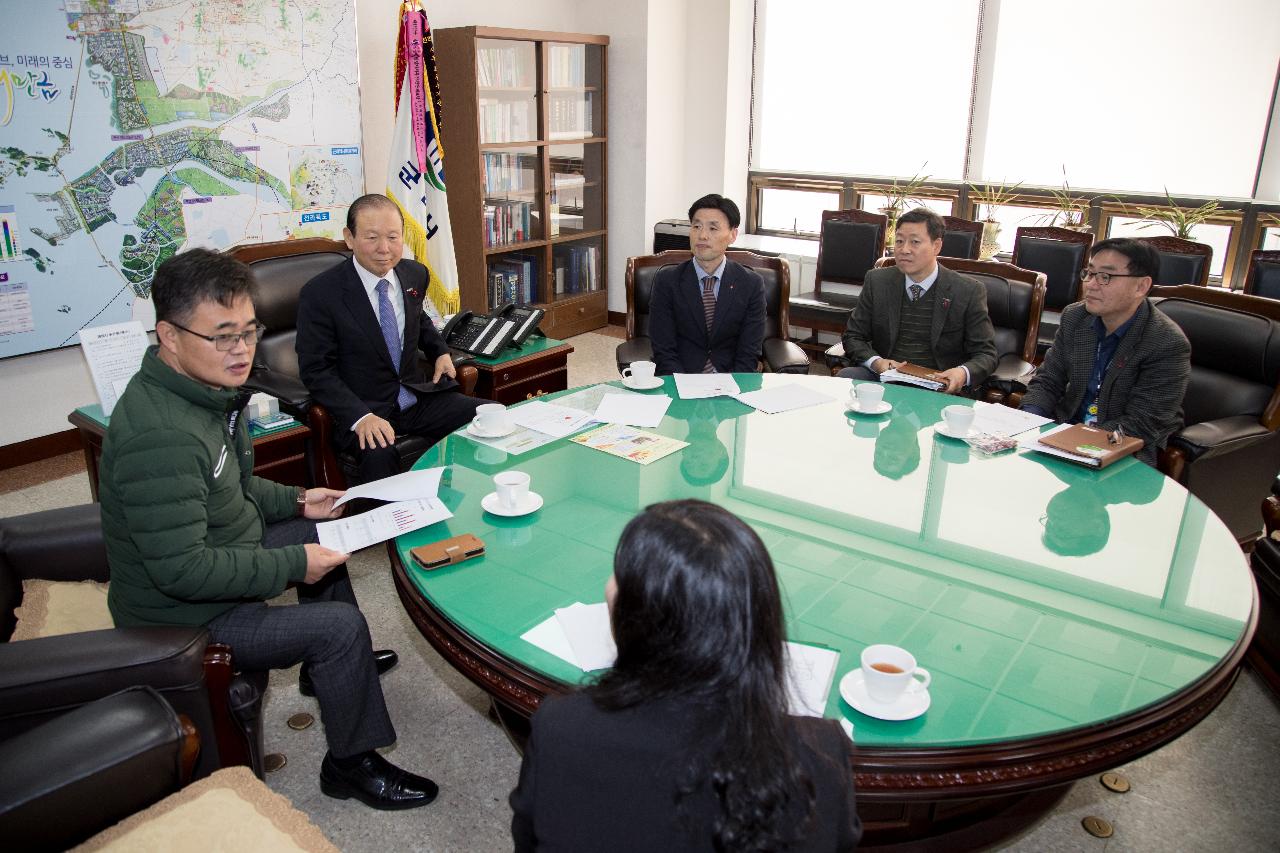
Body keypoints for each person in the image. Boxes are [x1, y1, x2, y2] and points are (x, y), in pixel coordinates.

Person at [100, 248, 438, 811]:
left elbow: (231, 486)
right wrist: (291, 565)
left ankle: (324, 674)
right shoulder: (161, 434)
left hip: (223, 553)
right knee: (339, 627)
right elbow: (180, 571)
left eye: (249, 331)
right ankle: (349, 765)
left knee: (324, 539)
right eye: (222, 336)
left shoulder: (204, 395)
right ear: (169, 335)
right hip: (185, 618)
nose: (242, 351)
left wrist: (301, 501)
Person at [510, 500, 860, 851]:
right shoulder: (822, 755)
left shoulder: (560, 728)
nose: (609, 585)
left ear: (642, 616)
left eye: (619, 573)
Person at [296, 193, 482, 483]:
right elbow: (316, 370)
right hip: (364, 406)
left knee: (488, 415)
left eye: (393, 237)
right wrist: (360, 417)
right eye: (372, 238)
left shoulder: (414, 274)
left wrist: (440, 351)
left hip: (413, 397)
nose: (385, 249)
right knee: (380, 453)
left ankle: (468, 496)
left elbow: (418, 319)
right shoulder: (321, 293)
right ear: (349, 237)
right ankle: (389, 528)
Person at [1019, 238, 1191, 466]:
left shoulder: (1166, 342)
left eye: (1105, 277)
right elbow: (1048, 381)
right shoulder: (1076, 317)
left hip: (1120, 450)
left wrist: (1070, 440)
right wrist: (1029, 420)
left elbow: (1143, 422)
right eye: (1089, 274)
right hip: (1057, 438)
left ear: (1141, 286)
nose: (1091, 284)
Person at [839, 208, 997, 393]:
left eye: (914, 242)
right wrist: (878, 363)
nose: (904, 249)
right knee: (846, 377)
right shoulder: (877, 281)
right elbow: (853, 336)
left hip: (938, 385)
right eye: (899, 241)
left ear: (936, 246)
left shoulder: (967, 291)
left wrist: (961, 373)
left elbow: (987, 354)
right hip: (885, 378)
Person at [648, 194, 766, 375]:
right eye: (696, 226)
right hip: (681, 380)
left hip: (731, 381)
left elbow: (748, 353)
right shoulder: (667, 281)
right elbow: (664, 351)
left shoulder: (750, 284)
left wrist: (732, 389)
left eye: (713, 228)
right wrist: (684, 387)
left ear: (733, 235)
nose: (702, 235)